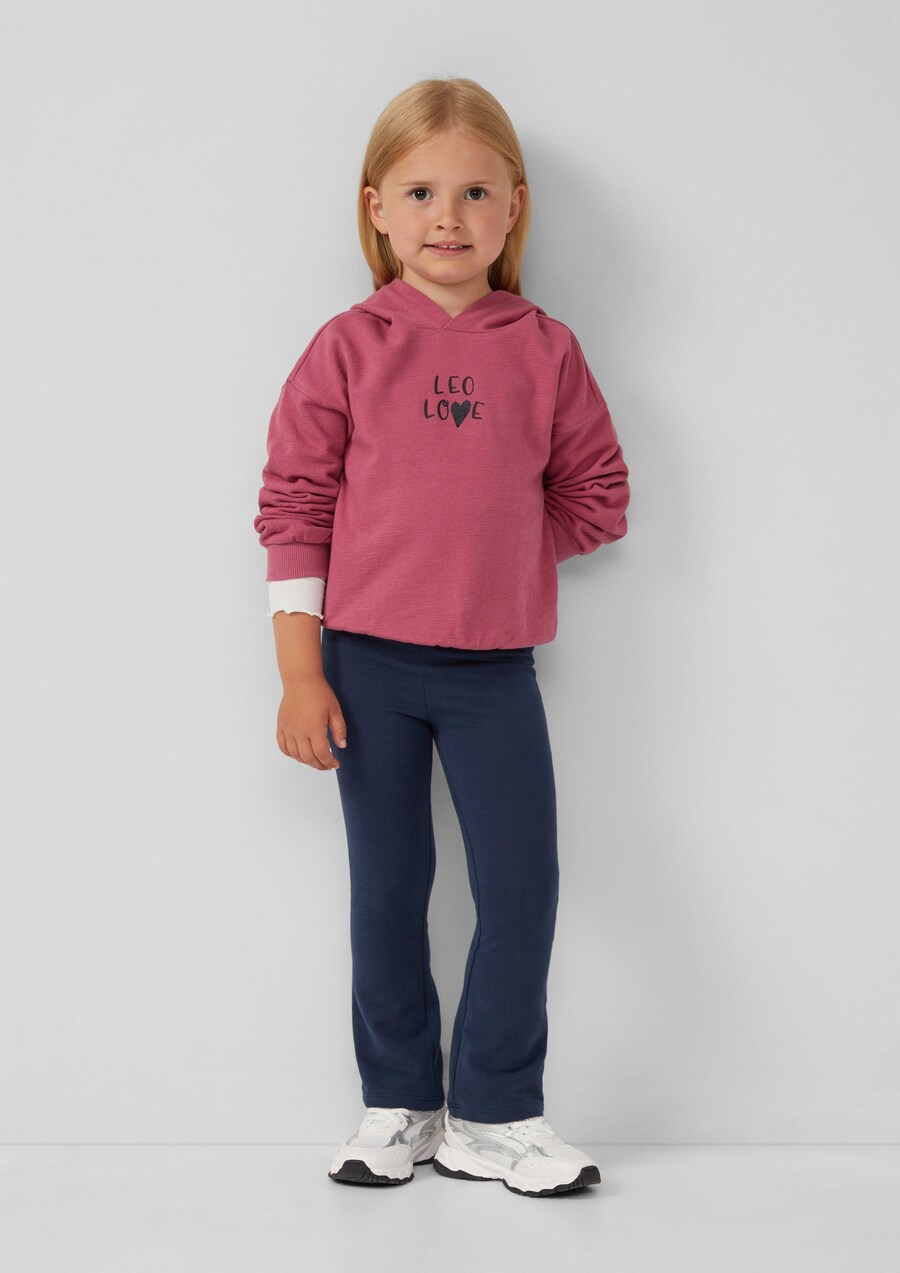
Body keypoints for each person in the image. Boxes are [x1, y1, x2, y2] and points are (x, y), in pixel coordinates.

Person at [253, 77, 630, 1198]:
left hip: (495, 675)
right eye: (420, 192)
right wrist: (300, 670)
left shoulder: (545, 350)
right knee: (389, 890)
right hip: (364, 669)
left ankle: (498, 1114)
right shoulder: (348, 347)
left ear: (515, 207)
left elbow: (598, 495)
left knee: (521, 890)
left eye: (474, 192)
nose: (448, 217)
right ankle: (400, 1104)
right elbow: (293, 504)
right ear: (377, 208)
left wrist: (499, 549)